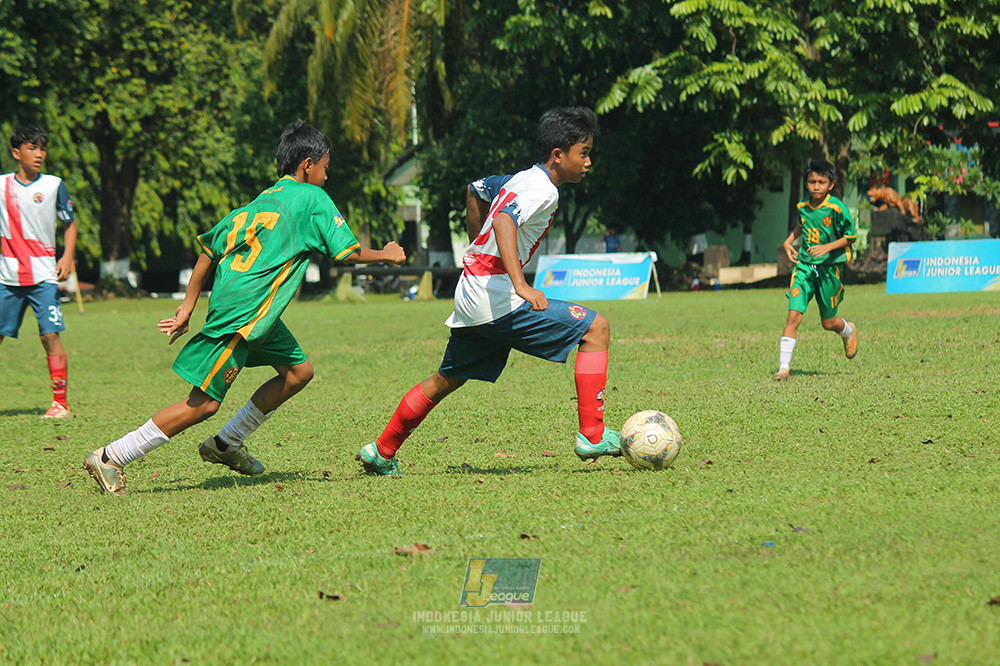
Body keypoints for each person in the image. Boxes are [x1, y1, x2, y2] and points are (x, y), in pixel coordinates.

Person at [84, 121, 405, 495]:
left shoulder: (262, 200)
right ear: (307, 165)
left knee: (298, 372)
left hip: (254, 313)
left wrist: (189, 304)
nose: (326, 176)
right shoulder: (312, 198)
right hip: (245, 315)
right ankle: (110, 457)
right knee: (202, 405)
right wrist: (386, 255)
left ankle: (226, 444)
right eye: (325, 167)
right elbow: (346, 252)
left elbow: (209, 249)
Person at [357, 106, 619, 476]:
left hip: (471, 291)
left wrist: (476, 249)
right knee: (597, 329)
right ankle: (592, 434)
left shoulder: (519, 179)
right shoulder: (543, 190)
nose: (589, 162)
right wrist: (520, 283)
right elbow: (504, 220)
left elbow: (476, 189)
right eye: (584, 153)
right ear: (558, 156)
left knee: (445, 379)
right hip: (496, 295)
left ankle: (381, 451)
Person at [0, 126, 78, 418]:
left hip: (44, 275)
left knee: (49, 335)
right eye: (33, 148)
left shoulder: (54, 185)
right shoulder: (2, 186)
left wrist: (68, 256)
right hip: (7, 276)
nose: (39, 154)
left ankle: (61, 403)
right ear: (16, 153)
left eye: (42, 148)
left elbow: (69, 223)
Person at [773, 158, 858, 381]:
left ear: (831, 184)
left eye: (821, 182)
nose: (816, 186)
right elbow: (802, 226)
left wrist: (827, 247)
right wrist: (788, 241)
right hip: (804, 267)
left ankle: (848, 331)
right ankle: (783, 368)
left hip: (829, 270)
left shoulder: (837, 207)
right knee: (793, 315)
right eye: (812, 182)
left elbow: (851, 237)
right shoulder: (803, 206)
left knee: (828, 322)